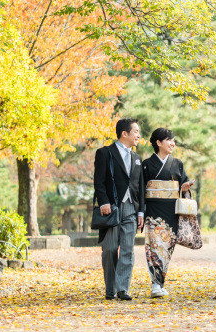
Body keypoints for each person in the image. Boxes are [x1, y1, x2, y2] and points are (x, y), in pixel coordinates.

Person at [94, 118, 145, 301]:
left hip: (131, 209)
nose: (138, 135)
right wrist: (104, 202)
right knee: (109, 249)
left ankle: (123, 288)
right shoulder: (105, 153)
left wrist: (141, 211)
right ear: (125, 133)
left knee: (127, 250)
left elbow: (139, 186)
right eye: (136, 132)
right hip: (111, 209)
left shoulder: (137, 158)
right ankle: (111, 288)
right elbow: (98, 182)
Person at [142, 127, 194, 298]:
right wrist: (140, 213)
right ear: (158, 142)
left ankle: (160, 282)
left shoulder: (177, 163)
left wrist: (184, 188)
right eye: (169, 140)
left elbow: (183, 185)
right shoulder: (147, 165)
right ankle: (155, 285)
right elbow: (140, 191)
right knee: (155, 248)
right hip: (153, 211)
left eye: (173, 140)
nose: (173, 143)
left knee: (167, 249)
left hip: (171, 212)